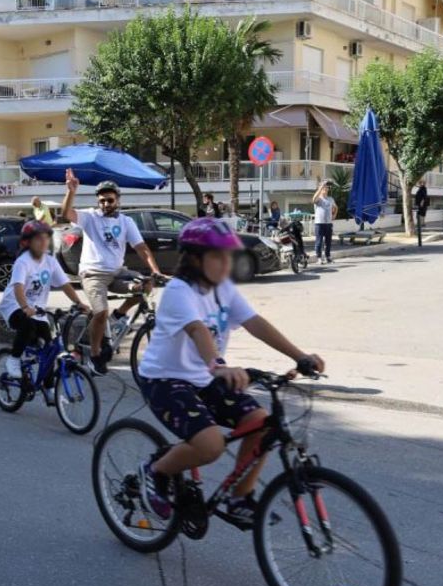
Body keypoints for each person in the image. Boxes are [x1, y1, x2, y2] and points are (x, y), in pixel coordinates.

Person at [137, 218, 325, 527]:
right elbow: (198, 330)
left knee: (262, 423)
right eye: (218, 256)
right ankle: (155, 471)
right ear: (195, 258)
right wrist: (219, 366)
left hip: (206, 378)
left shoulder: (223, 289)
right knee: (209, 446)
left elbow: (255, 323)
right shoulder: (178, 291)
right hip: (164, 379)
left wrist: (301, 356)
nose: (227, 263)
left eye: (229, 256)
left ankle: (239, 497)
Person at [61, 171, 162, 375]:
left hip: (117, 272)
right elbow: (66, 214)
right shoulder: (90, 217)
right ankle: (96, 355)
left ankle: (119, 315)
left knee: (146, 285)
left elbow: (141, 247)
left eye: (109, 200)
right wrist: (71, 192)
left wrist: (155, 270)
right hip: (93, 274)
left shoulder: (126, 222)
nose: (105, 204)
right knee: (100, 312)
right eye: (102, 201)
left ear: (117, 200)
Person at [0, 221, 89, 378]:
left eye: (46, 238)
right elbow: (18, 286)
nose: (43, 242)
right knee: (27, 325)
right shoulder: (23, 261)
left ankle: (49, 389)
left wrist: (79, 303)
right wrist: (25, 307)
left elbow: (65, 284)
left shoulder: (50, 261)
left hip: (38, 310)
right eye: (38, 238)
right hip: (14, 306)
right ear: (28, 242)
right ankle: (13, 359)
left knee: (49, 350)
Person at [312, 180, 337, 264]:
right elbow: (313, 199)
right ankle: (319, 258)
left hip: (328, 223)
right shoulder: (319, 199)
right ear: (321, 189)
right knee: (319, 241)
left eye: (326, 188)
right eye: (324, 188)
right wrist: (320, 187)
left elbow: (335, 207)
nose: (326, 189)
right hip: (319, 223)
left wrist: (334, 215)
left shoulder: (330, 199)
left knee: (328, 242)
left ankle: (328, 257)